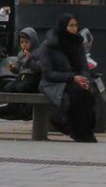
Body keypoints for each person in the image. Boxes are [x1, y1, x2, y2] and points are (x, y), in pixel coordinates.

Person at [37, 13, 98, 143]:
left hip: (75, 80)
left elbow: (83, 66)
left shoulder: (77, 43)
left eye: (76, 25)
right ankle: (76, 131)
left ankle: (86, 131)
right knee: (76, 93)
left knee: (88, 92)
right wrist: (73, 78)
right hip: (55, 83)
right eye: (71, 25)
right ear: (63, 26)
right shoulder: (48, 45)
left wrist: (84, 79)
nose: (74, 29)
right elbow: (48, 73)